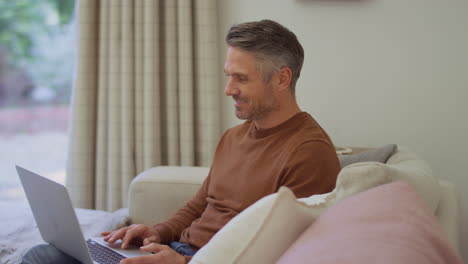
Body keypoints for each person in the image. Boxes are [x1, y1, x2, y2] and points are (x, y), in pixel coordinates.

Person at [22, 19, 340, 264]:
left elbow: (282, 253)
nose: (228, 89)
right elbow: (198, 206)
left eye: (241, 78)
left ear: (282, 78)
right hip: (177, 252)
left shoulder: (309, 153)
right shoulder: (234, 136)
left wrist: (185, 261)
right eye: (228, 75)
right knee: (45, 255)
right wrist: (157, 231)